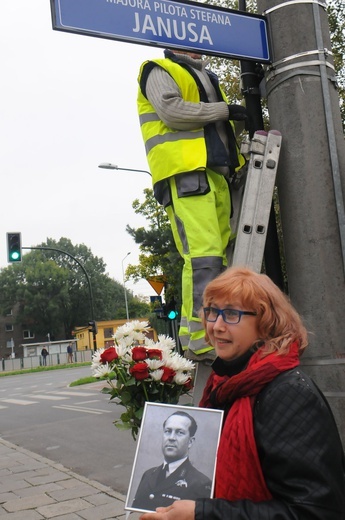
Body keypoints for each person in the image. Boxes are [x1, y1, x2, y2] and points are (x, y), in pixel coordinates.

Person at [139, 267, 345, 520]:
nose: (216, 326)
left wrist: (204, 514)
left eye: (232, 314)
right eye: (212, 312)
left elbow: (316, 512)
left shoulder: (288, 394)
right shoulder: (223, 383)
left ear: (266, 322)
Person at [137, 49, 248, 361]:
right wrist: (224, 110)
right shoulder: (158, 69)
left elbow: (221, 126)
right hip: (187, 172)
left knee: (219, 257)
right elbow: (173, 112)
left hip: (217, 174)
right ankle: (203, 337)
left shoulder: (205, 76)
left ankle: (198, 333)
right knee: (204, 256)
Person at [132, 411, 212, 512]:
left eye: (180, 432)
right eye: (168, 431)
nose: (171, 438)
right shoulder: (148, 474)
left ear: (190, 442)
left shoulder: (201, 483)